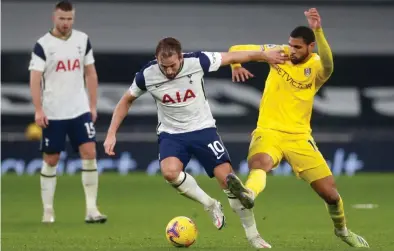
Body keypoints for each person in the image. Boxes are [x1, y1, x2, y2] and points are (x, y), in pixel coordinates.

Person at [104, 37, 286, 248]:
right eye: (165, 67)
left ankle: (254, 236)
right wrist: (111, 133)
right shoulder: (147, 75)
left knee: (230, 182)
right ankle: (209, 204)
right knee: (169, 172)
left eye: (173, 65)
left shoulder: (197, 61)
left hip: (203, 131)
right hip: (172, 134)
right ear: (157, 60)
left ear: (181, 57)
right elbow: (126, 100)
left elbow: (233, 56)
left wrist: (264, 55)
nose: (170, 71)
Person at [226, 8, 369, 248]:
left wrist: (318, 30)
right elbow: (235, 50)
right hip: (268, 130)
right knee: (260, 162)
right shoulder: (278, 53)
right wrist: (236, 66)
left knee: (331, 195)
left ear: (311, 47)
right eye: (291, 45)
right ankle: (248, 194)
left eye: (298, 47)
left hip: (300, 137)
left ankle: (342, 231)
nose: (291, 50)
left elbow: (329, 64)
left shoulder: (316, 67)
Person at [29, 1, 106, 224]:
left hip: (79, 109)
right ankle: (48, 211)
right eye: (62, 19)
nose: (66, 23)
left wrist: (92, 105)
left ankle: (92, 209)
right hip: (53, 112)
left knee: (90, 153)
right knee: (52, 159)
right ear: (54, 18)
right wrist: (38, 109)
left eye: (70, 18)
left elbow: (90, 74)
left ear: (74, 18)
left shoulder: (82, 40)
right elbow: (35, 78)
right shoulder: (43, 45)